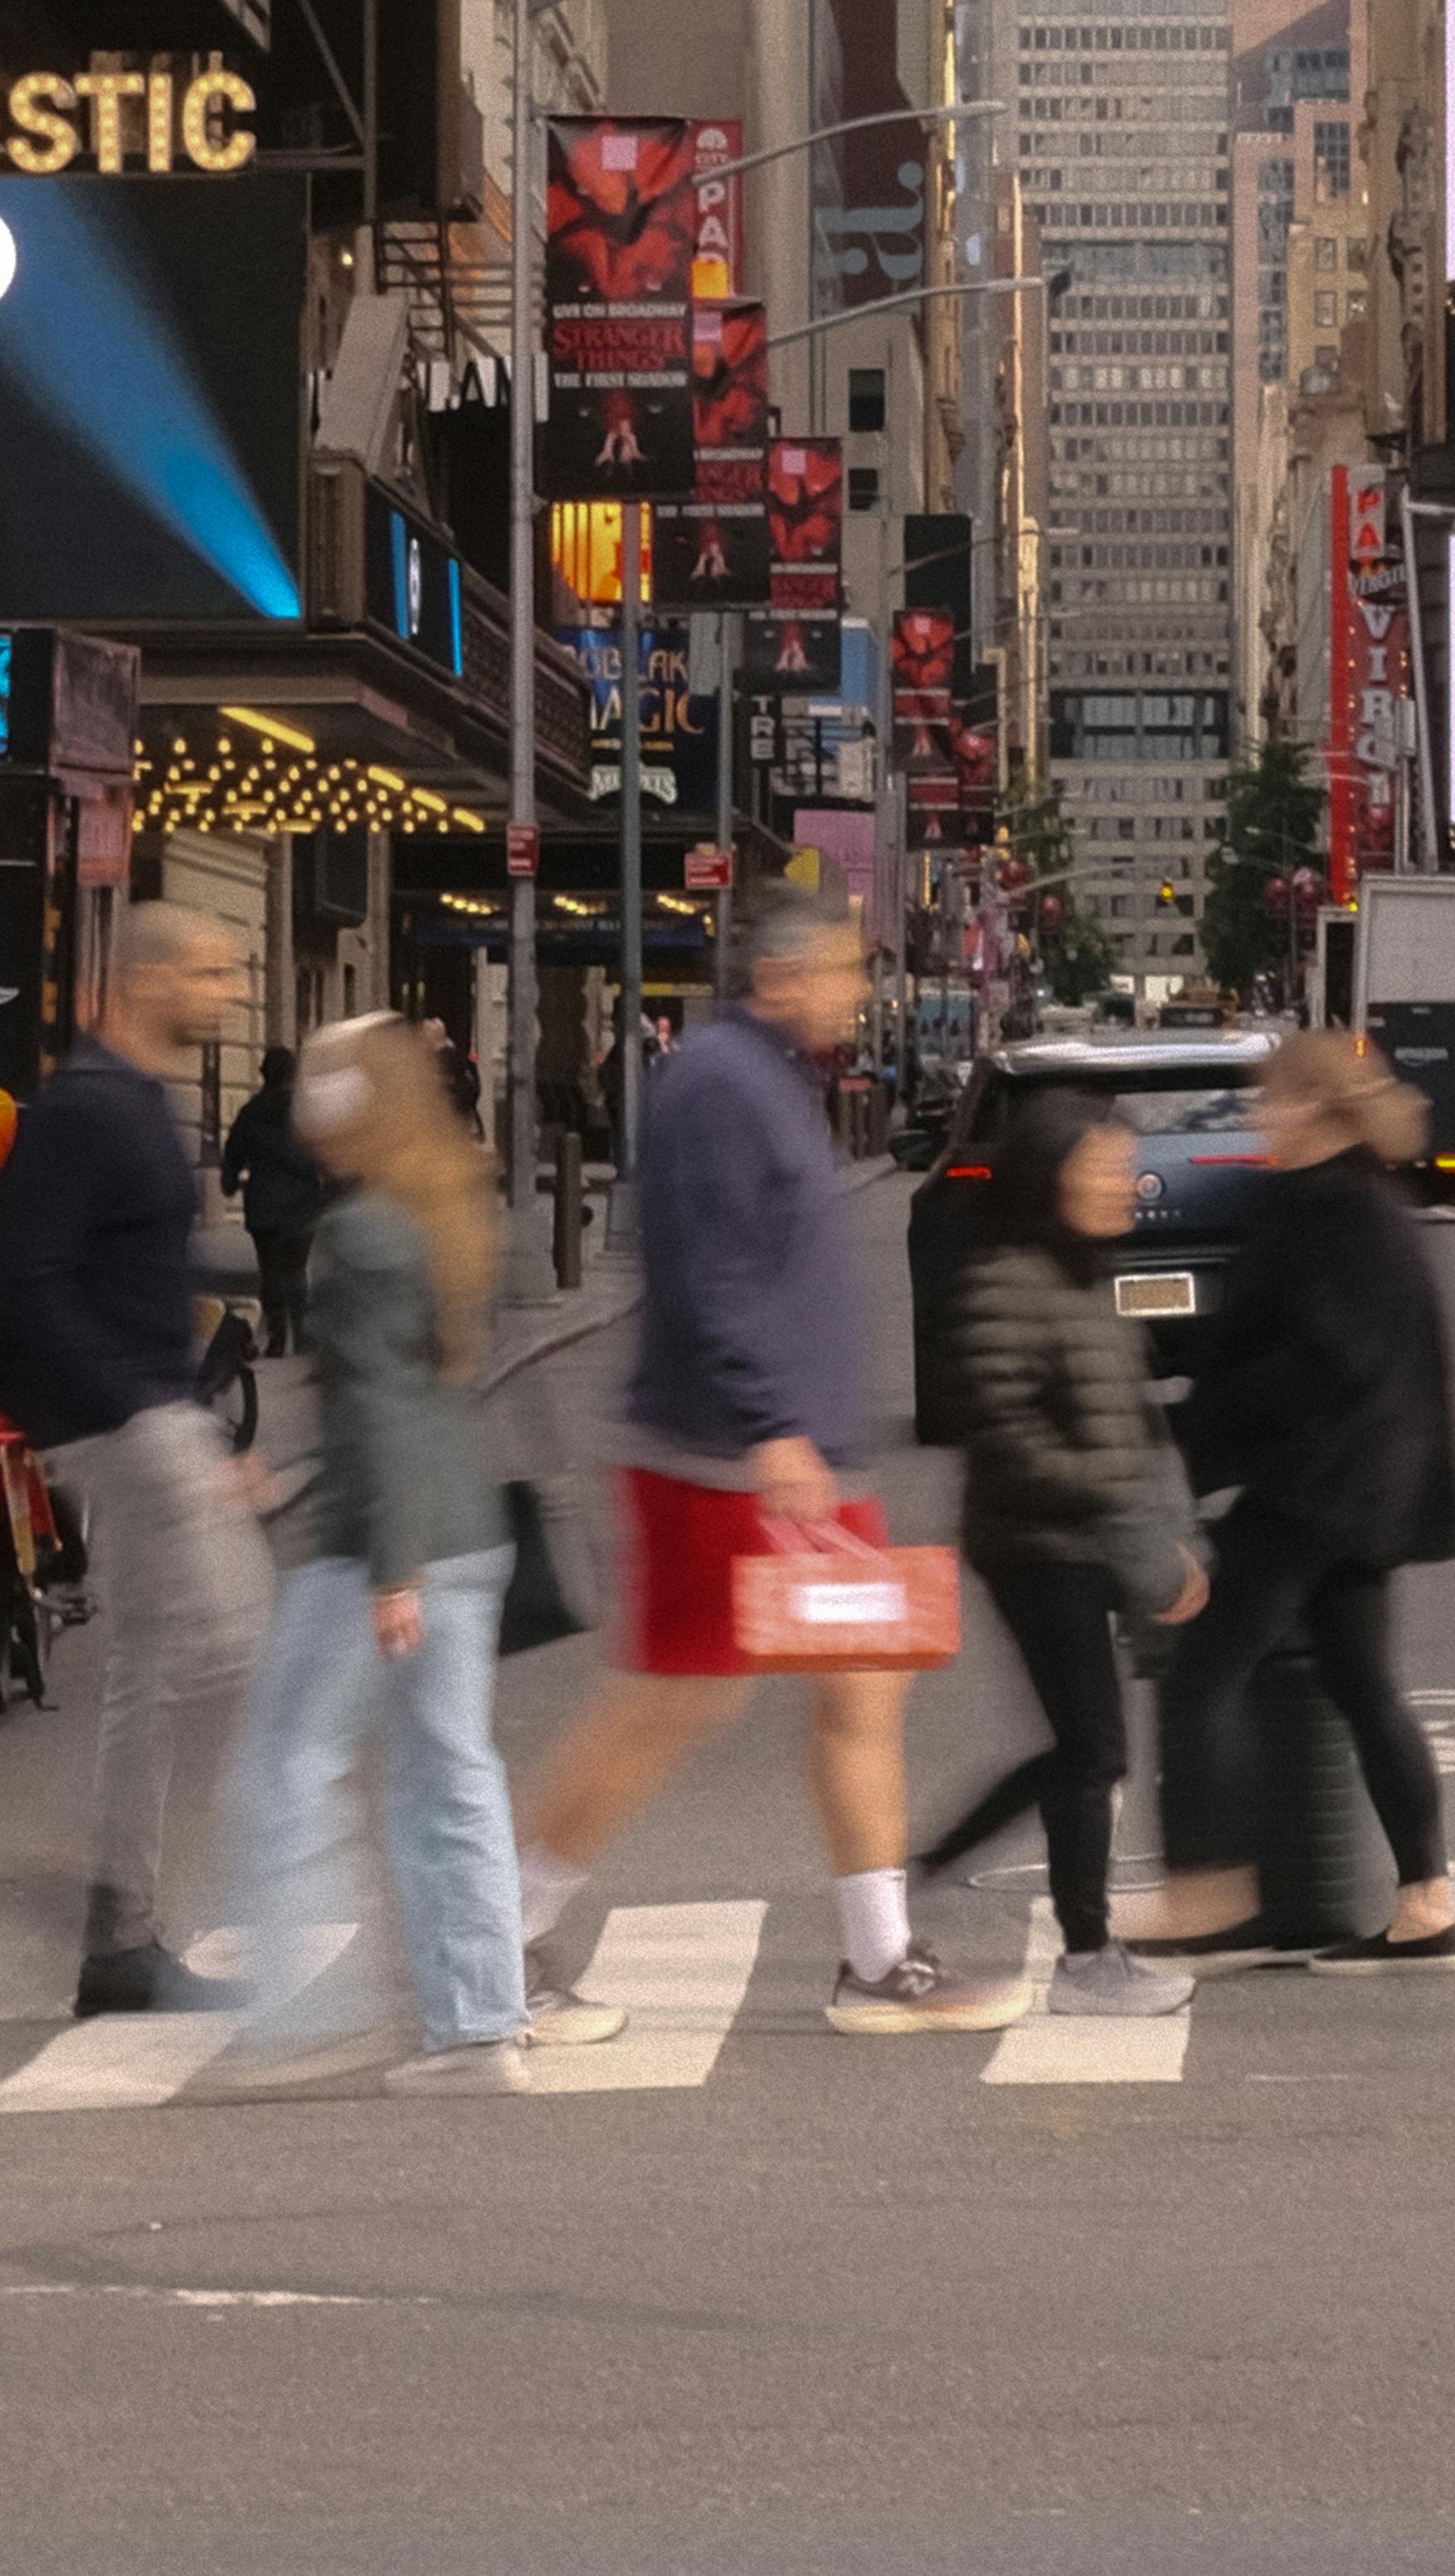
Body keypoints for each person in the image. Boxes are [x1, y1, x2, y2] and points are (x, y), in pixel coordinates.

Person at [516, 885, 1026, 2034]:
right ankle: (499, 1933)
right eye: (842, 970)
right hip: (724, 1457)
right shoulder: (715, 1083)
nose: (856, 988)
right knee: (668, 1698)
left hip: (795, 1455)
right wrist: (769, 1427)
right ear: (782, 976)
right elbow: (707, 1273)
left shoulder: (764, 1079)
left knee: (860, 1683)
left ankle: (878, 1957)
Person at [221, 1020, 622, 2092]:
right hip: (465, 1529)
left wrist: (386, 1566)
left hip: (378, 1545)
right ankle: (481, 2021)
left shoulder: (358, 1232)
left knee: (286, 1767)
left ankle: (309, 2010)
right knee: (450, 1780)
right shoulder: (446, 1209)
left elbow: (383, 1404)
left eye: (318, 1083)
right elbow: (410, 1388)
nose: (304, 1103)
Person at [0, 908, 271, 2017]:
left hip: (161, 1417)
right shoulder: (89, 1107)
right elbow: (28, 1282)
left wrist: (196, 1416)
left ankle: (119, 1931)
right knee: (243, 1654)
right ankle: (108, 1890)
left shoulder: (146, 1099)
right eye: (211, 970)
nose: (231, 990)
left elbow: (142, 1282)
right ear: (144, 978)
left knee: (163, 1668)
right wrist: (137, 1421)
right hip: (133, 1425)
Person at [1131, 1028, 1455, 1974]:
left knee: (1202, 1673)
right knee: (1363, 1685)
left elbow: (1314, 1358)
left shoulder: (1332, 1208)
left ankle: (1209, 1892)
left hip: (1313, 1487)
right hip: (1361, 1487)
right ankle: (1424, 1903)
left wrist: (1204, 1422)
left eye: (1270, 1099)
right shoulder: (1352, 1197)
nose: (1258, 1114)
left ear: (1313, 1106)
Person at [917, 1089, 1206, 2019]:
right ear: (1051, 1179)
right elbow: (999, 1427)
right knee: (1092, 1751)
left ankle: (920, 1865)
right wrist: (1107, 1494)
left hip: (1083, 1539)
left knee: (1077, 1748)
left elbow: (1128, 1414)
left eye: (1127, 1168)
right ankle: (1085, 1958)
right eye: (1104, 1169)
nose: (1126, 1185)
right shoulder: (1009, 1275)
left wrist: (1157, 1526)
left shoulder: (1084, 1271)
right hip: (1036, 1544)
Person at [219, 1047, 326, 1360]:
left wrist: (229, 1181)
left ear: (264, 1074)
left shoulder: (252, 1112)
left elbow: (234, 1153)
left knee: (271, 1274)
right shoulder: (306, 1113)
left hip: (264, 1203)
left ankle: (277, 1339)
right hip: (302, 1203)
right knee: (296, 1271)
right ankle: (303, 1336)